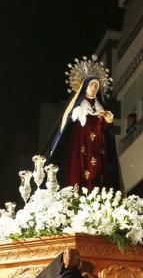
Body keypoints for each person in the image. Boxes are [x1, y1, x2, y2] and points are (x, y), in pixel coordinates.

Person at [47, 55, 120, 190]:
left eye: (96, 86)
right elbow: (68, 125)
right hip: (81, 145)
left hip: (98, 147)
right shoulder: (78, 105)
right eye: (91, 84)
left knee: (99, 174)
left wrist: (108, 120)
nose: (94, 88)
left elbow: (106, 130)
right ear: (85, 86)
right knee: (80, 171)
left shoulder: (100, 106)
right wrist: (77, 113)